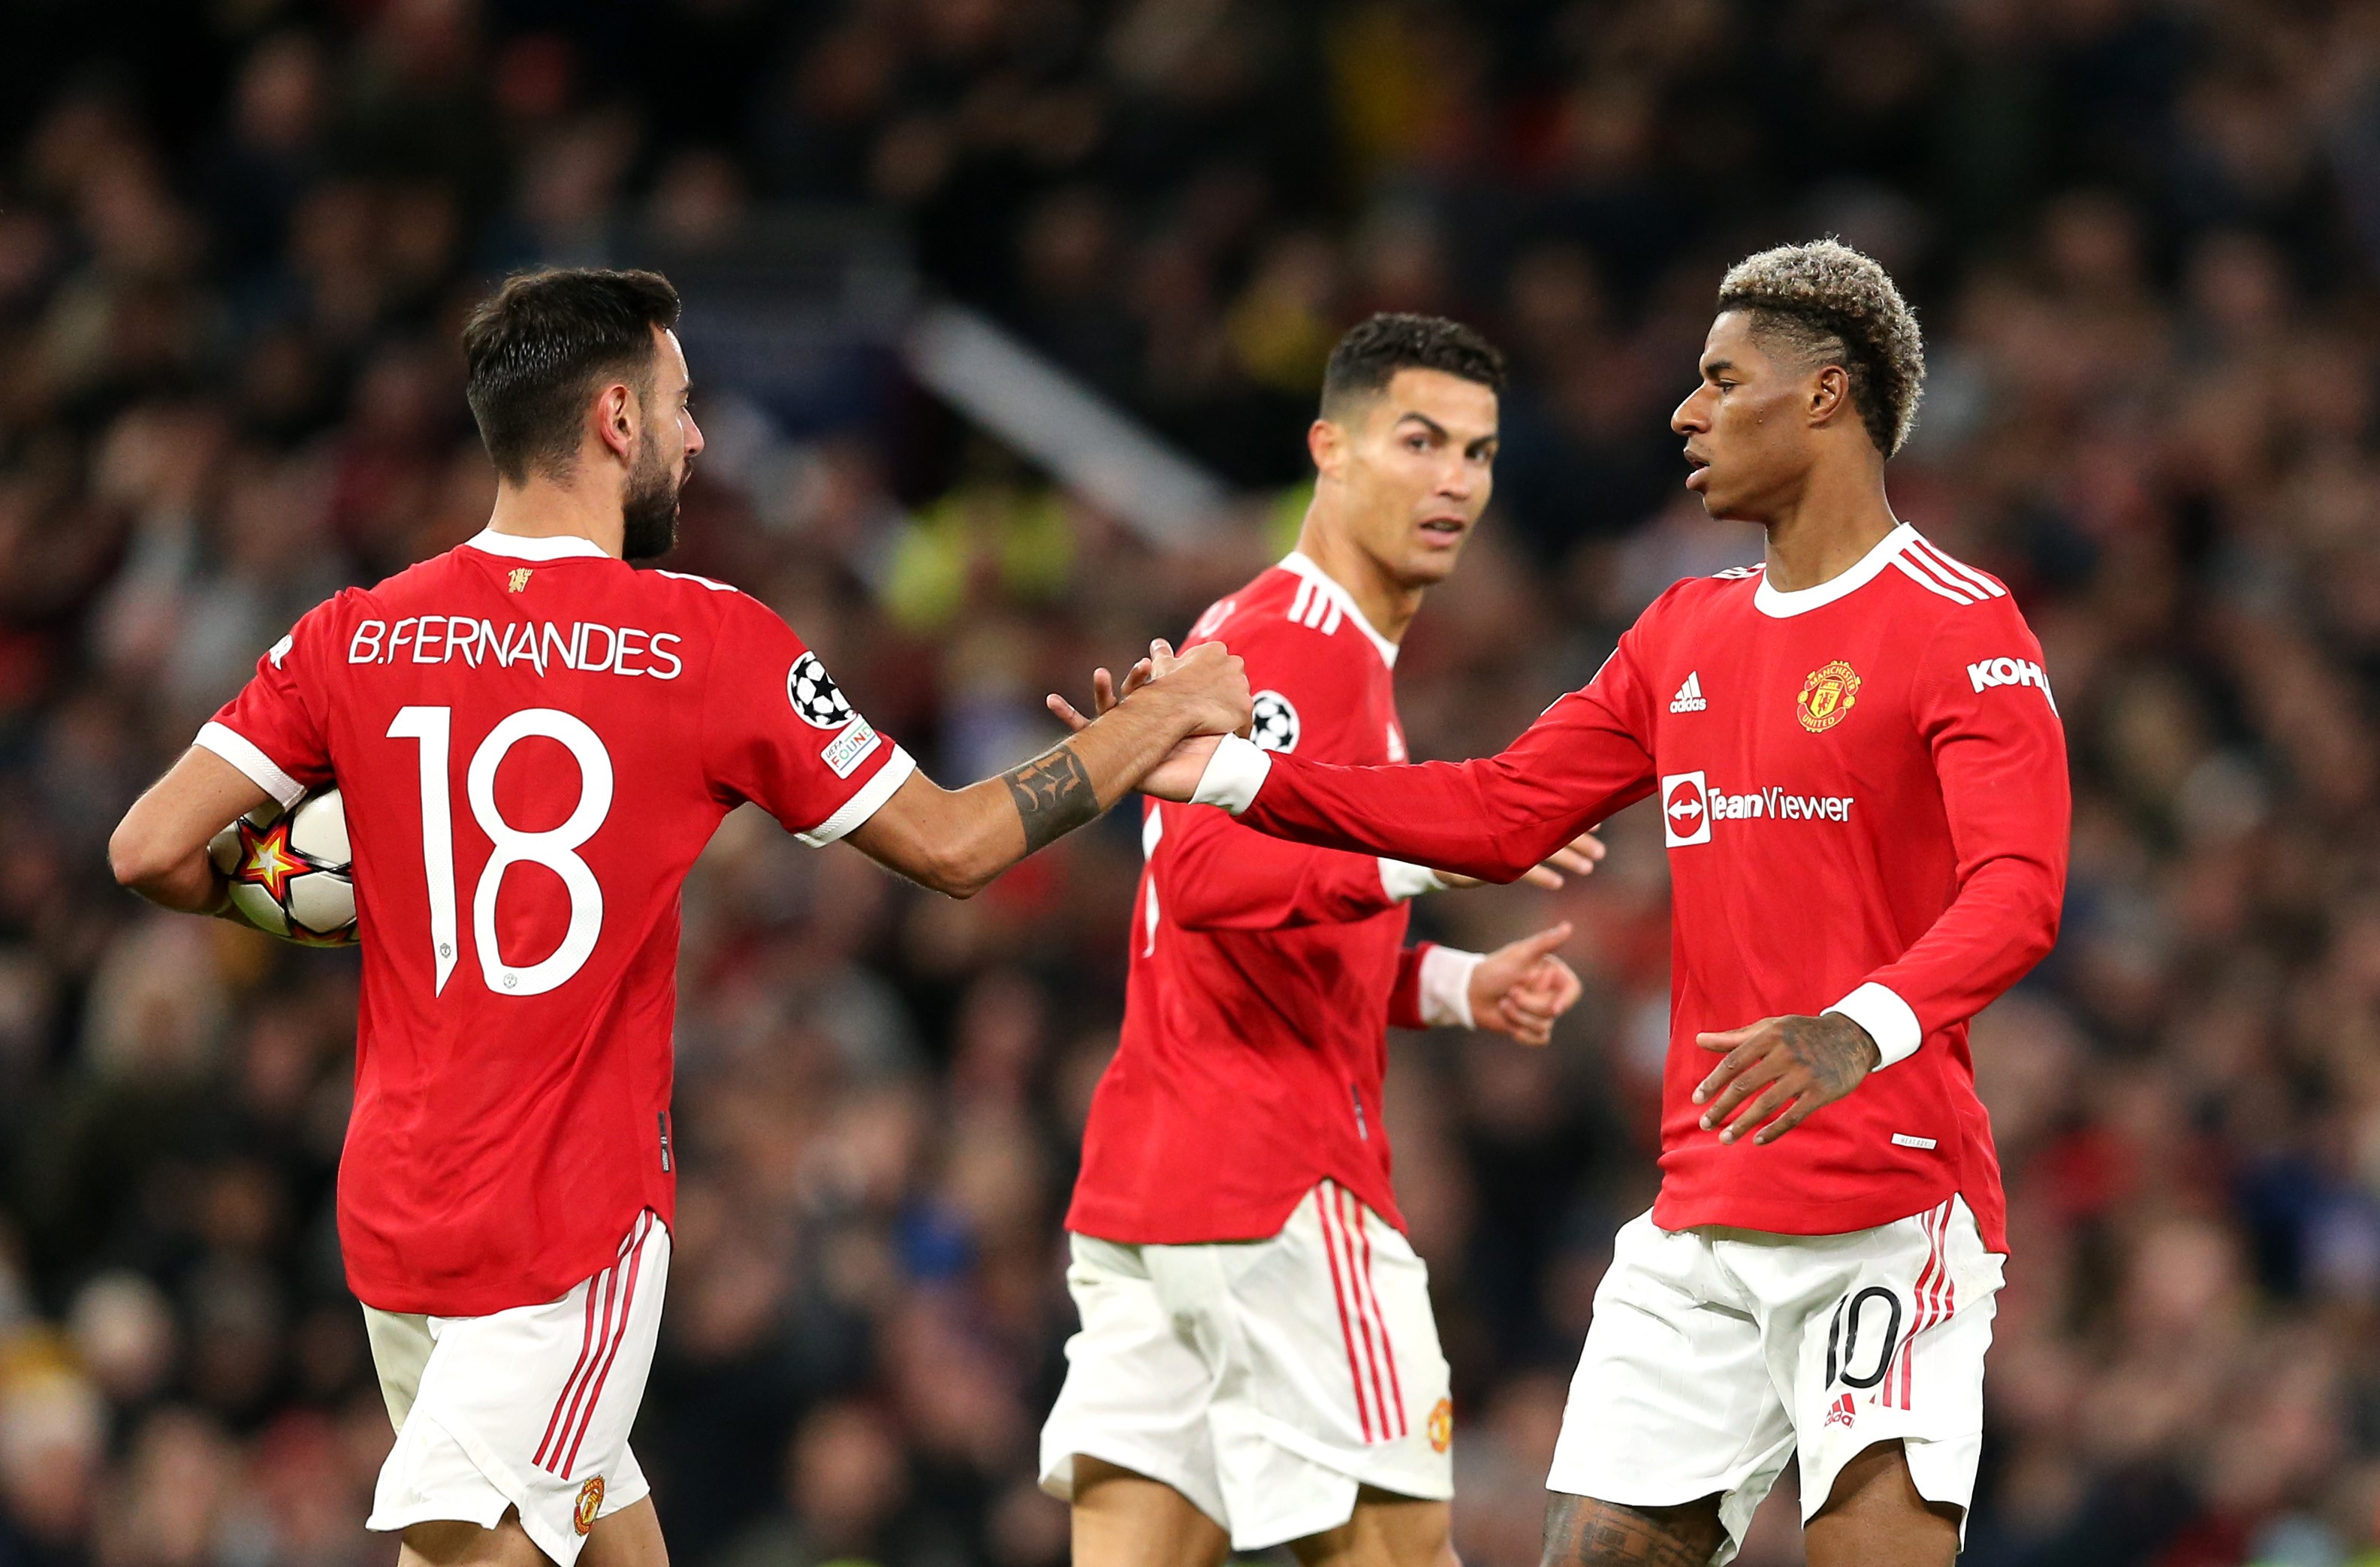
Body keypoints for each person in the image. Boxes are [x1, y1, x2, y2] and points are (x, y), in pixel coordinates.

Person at [105, 267, 1250, 1567]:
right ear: (613, 420)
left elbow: (151, 848)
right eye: (682, 404)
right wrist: (1151, 721)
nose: (698, 437)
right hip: (558, 1238)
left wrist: (334, 905)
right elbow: (956, 843)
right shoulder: (708, 643)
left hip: (391, 1217)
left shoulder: (354, 634)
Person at [1116, 242, 2071, 1567]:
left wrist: (1852, 1028)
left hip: (1887, 1206)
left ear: (1824, 397)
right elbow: (1502, 810)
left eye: (1720, 379)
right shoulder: (1681, 628)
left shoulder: (1960, 625)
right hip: (1700, 1216)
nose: (1683, 412)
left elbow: (2017, 895)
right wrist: (1234, 772)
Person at [1038, 314, 1598, 1567]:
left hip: (1153, 1188)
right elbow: (1208, 874)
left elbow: (1278, 929)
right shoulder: (1302, 643)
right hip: (1277, 1181)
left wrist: (1456, 985)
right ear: (1329, 452)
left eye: (1478, 451)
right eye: (1418, 440)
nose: (1454, 479)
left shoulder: (1286, 633)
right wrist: (1450, 844)